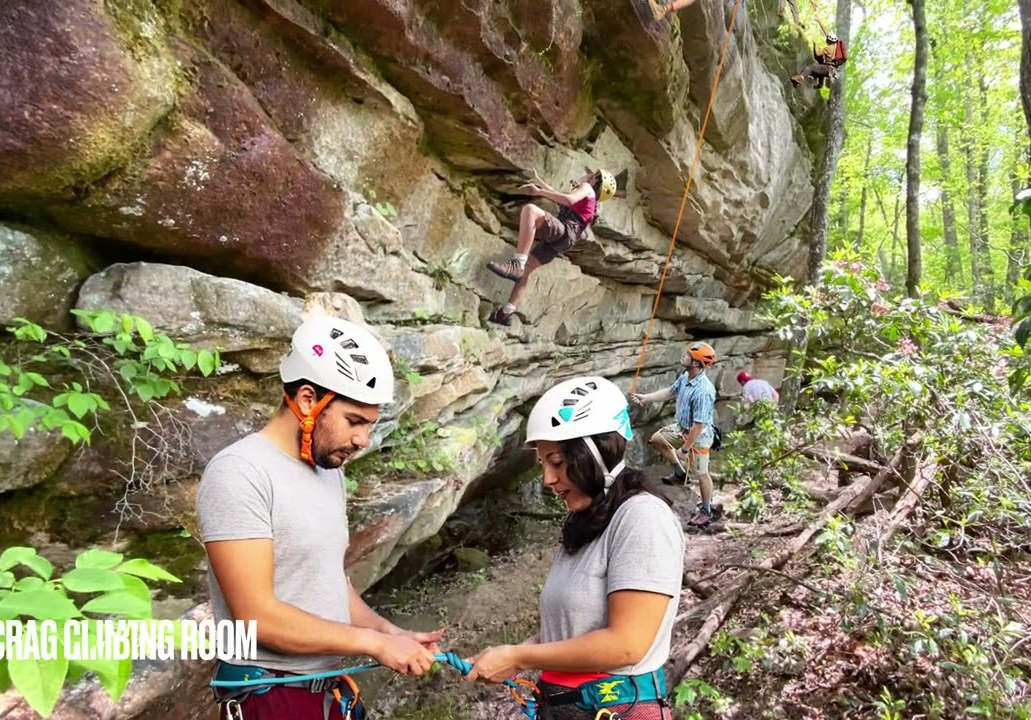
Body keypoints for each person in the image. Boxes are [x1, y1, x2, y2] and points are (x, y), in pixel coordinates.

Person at [196, 314, 443, 720]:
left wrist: (389, 633)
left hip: (326, 689)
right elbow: (256, 617)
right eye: (354, 421)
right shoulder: (240, 472)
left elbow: (329, 581)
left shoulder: (328, 471)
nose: (363, 439)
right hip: (271, 694)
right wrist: (373, 644)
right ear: (308, 399)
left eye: (369, 424)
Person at [461, 376, 684, 719]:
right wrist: (512, 655)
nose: (548, 479)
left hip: (615, 708)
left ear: (595, 452)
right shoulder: (591, 522)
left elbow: (627, 643)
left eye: (556, 461)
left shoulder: (642, 517)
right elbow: (570, 630)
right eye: (543, 465)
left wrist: (520, 657)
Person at [485, 168, 617, 327]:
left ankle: (516, 264)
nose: (588, 174)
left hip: (565, 232)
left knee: (530, 210)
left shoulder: (587, 188)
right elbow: (560, 197)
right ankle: (505, 314)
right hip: (566, 241)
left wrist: (540, 192)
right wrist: (539, 183)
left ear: (595, 180)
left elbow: (568, 200)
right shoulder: (591, 201)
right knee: (525, 273)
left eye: (593, 174)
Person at [632, 342, 720, 530]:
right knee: (657, 439)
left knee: (702, 474)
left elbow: (699, 425)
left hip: (698, 437)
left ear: (696, 363)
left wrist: (685, 449)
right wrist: (646, 398)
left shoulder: (703, 391)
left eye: (688, 355)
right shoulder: (685, 377)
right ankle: (680, 474)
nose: (684, 356)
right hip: (681, 429)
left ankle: (706, 510)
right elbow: (670, 392)